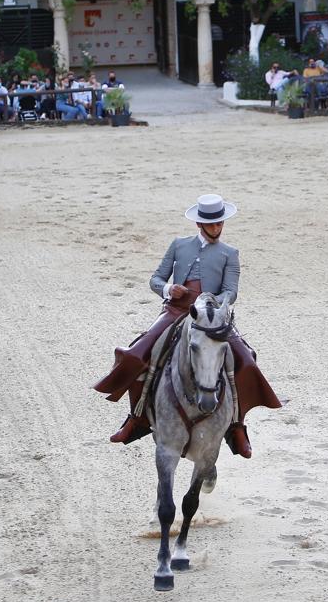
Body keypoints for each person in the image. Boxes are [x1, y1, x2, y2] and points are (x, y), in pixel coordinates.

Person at [93, 194, 281, 458]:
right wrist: (170, 288)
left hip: (213, 317)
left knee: (247, 360)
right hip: (175, 311)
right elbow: (156, 279)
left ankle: (237, 426)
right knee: (137, 354)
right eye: (212, 224)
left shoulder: (230, 253)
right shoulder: (179, 246)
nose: (217, 228)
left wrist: (215, 305)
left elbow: (231, 292)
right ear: (199, 225)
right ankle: (135, 418)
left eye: (220, 223)